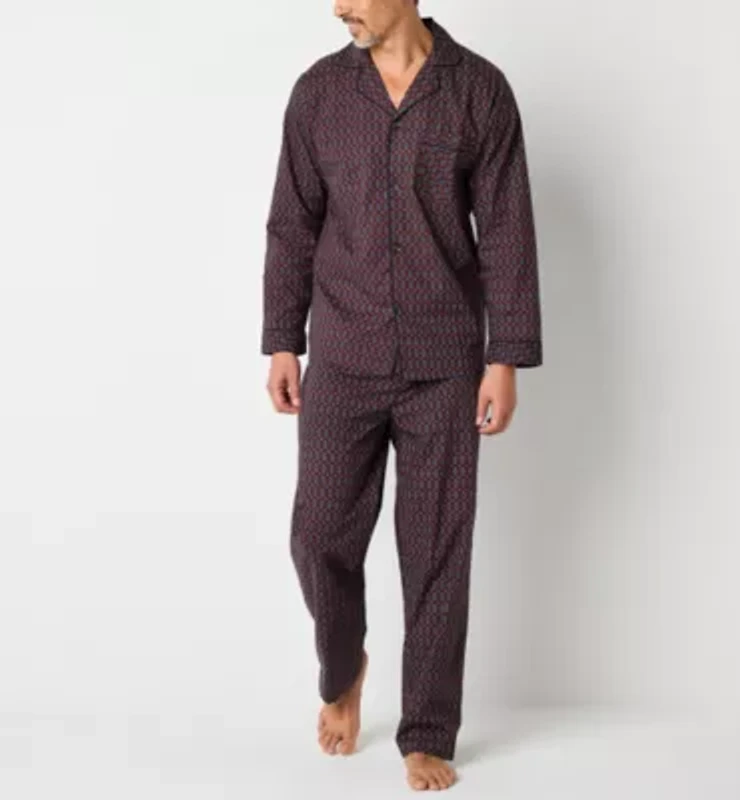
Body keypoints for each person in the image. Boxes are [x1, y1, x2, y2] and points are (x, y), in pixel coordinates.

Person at [261, 0, 541, 791]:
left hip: (444, 362)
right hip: (343, 357)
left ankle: (426, 731)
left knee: (437, 551)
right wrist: (283, 339)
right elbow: (292, 224)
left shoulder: (479, 92)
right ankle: (342, 667)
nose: (340, 7)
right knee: (319, 534)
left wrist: (505, 357)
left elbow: (507, 230)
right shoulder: (318, 94)